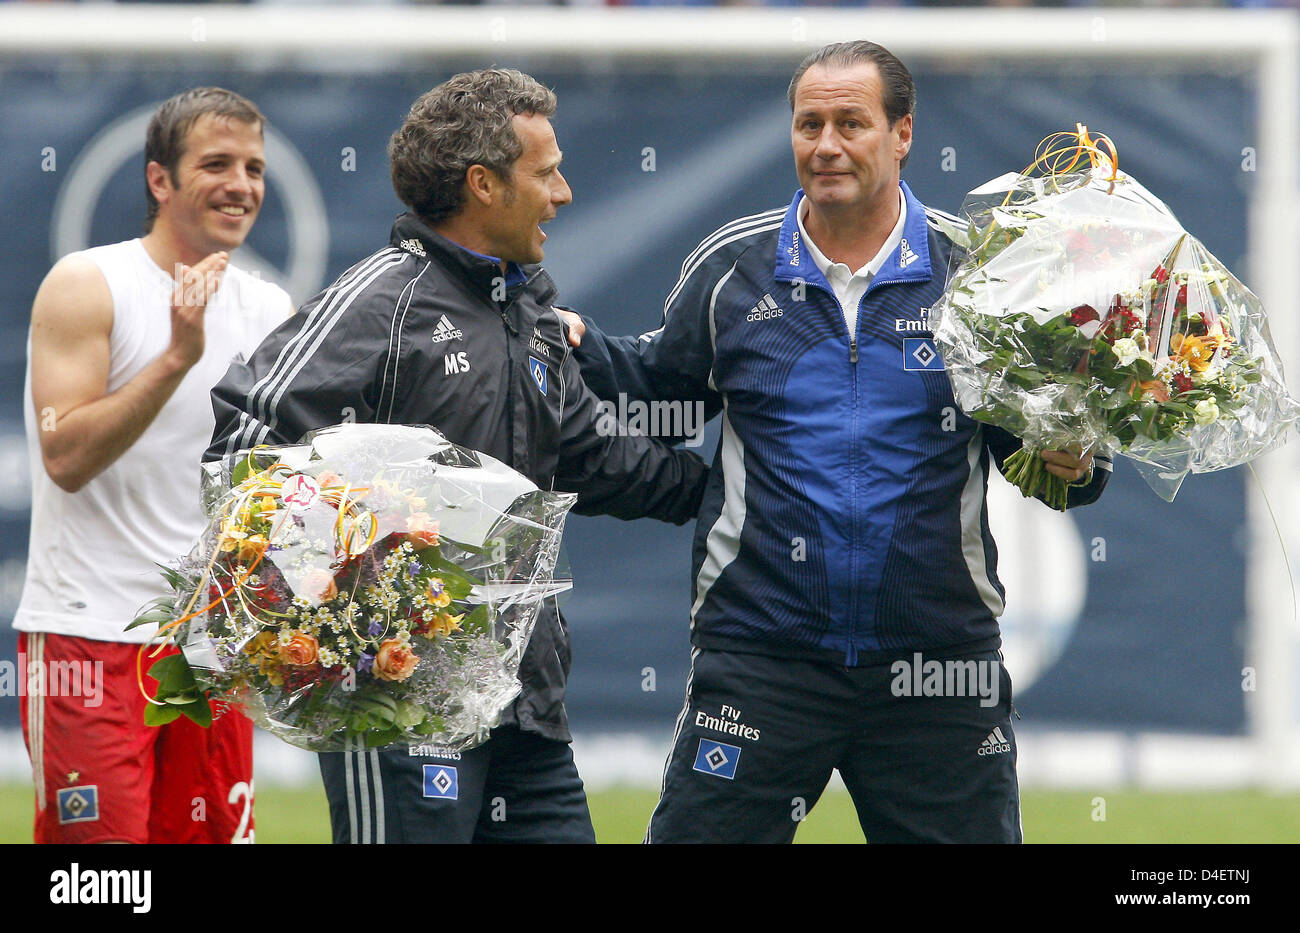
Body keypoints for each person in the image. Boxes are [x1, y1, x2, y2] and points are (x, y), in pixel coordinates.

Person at [561, 40, 1111, 843]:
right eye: (808, 123)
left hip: (937, 663)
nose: (825, 144)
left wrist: (1079, 462)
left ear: (903, 134)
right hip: (762, 657)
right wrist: (567, 341)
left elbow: (1040, 454)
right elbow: (656, 380)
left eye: (851, 122)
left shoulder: (980, 277)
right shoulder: (733, 269)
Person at [204, 69, 708, 845]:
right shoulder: (381, 299)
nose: (564, 192)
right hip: (396, 705)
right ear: (484, 184)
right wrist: (340, 605)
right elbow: (245, 441)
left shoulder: (531, 308)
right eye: (546, 173)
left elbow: (592, 454)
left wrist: (729, 494)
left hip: (526, 701)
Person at [14, 87, 293, 844]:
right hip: (90, 635)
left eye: (254, 167)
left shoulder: (271, 308)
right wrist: (177, 355)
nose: (242, 184)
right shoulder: (87, 283)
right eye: (216, 164)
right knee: (102, 880)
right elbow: (66, 455)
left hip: (210, 651)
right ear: (159, 180)